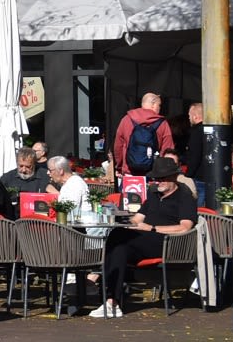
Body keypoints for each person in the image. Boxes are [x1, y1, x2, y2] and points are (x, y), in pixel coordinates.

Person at [92, 156, 196, 318]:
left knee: (120, 239)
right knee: (119, 243)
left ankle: (96, 278)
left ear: (174, 178)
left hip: (168, 243)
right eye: (156, 179)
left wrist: (152, 228)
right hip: (143, 241)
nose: (158, 182)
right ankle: (112, 301)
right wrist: (124, 222)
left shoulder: (184, 196)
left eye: (162, 178)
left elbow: (185, 227)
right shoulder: (154, 194)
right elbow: (137, 219)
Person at [112, 92, 174, 176]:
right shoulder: (163, 124)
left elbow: (118, 146)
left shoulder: (127, 119)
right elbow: (168, 150)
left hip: (129, 171)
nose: (160, 108)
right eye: (159, 105)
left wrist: (119, 167)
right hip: (153, 173)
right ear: (153, 105)